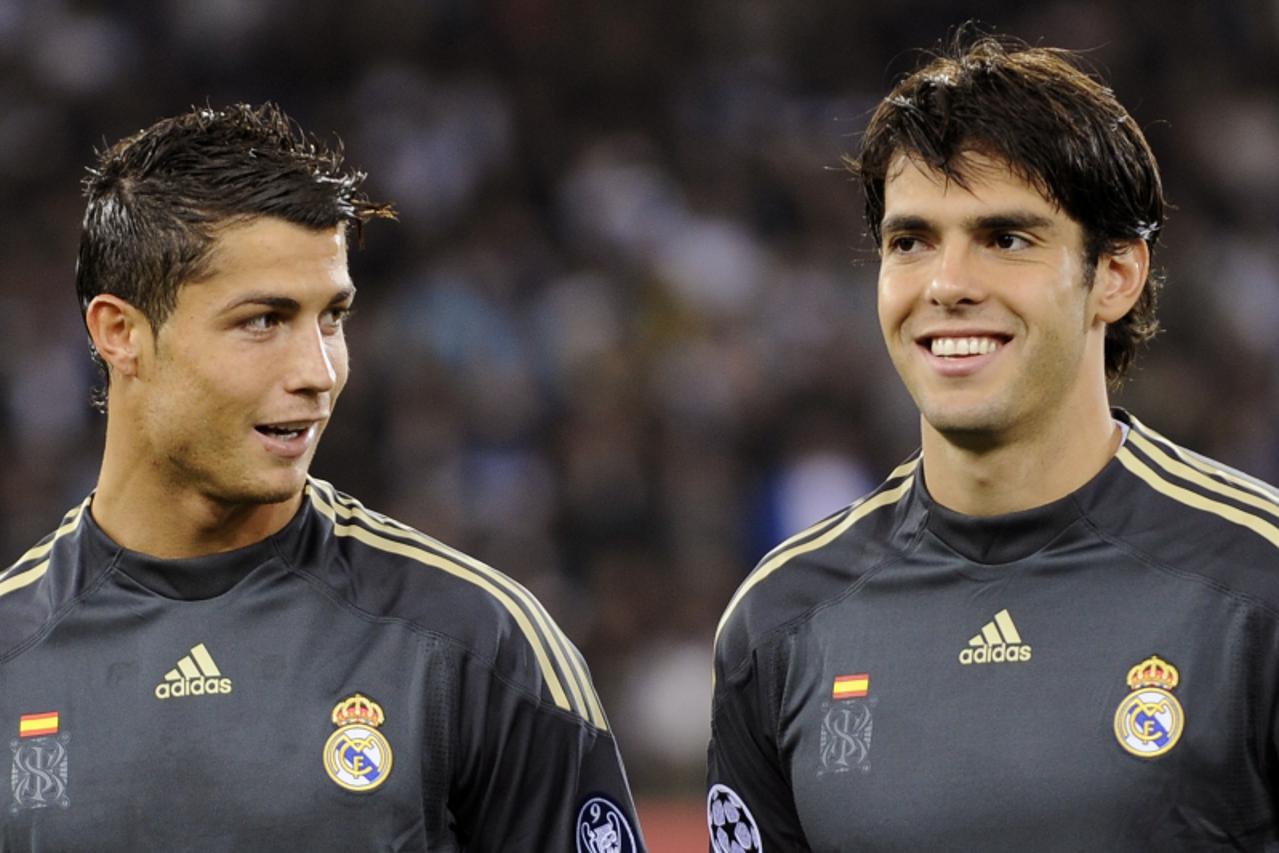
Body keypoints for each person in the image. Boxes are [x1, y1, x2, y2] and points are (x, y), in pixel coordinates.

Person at [0, 103, 645, 852]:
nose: (318, 371)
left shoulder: (474, 643)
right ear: (121, 333)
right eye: (263, 320)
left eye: (332, 317)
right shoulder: (13, 651)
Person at [707, 35, 1279, 851]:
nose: (946, 285)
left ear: (1114, 274)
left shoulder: (1256, 582)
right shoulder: (778, 620)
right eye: (910, 242)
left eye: (1004, 238)